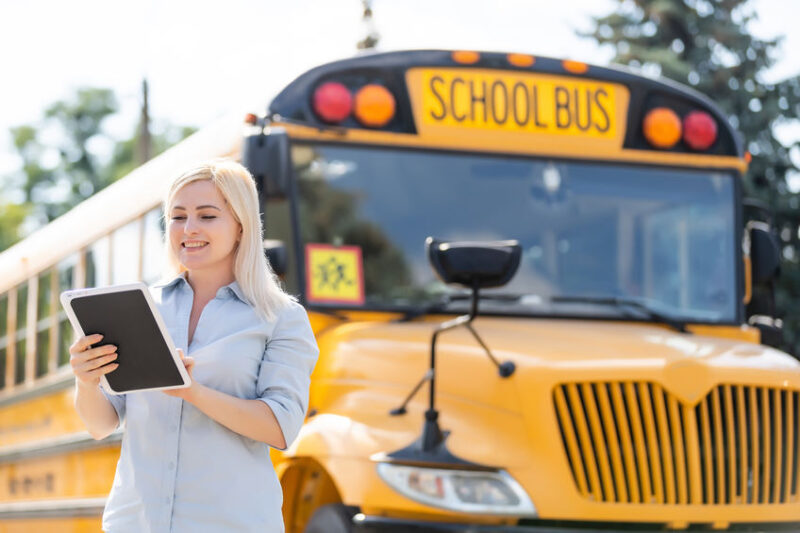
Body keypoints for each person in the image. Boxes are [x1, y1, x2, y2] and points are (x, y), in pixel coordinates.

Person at [68, 159, 319, 532]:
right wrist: (86, 381)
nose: (189, 229)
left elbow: (281, 428)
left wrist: (195, 393)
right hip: (135, 522)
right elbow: (102, 424)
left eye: (207, 216)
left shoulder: (280, 317)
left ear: (240, 225)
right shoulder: (140, 306)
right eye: (177, 216)